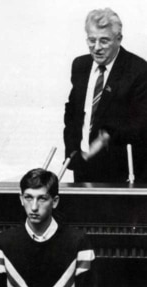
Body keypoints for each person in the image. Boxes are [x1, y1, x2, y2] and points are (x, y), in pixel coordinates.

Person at [0, 168, 96, 287]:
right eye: (28, 197)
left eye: (42, 198)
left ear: (55, 202)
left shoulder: (79, 244)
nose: (34, 207)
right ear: (21, 199)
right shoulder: (1, 245)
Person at [64, 8, 147, 182]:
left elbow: (141, 123)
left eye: (104, 41)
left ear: (119, 39)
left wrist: (107, 136)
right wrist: (73, 153)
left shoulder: (138, 70)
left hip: (121, 173)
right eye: (92, 40)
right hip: (83, 169)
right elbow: (72, 113)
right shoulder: (80, 65)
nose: (97, 48)